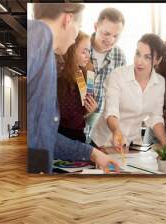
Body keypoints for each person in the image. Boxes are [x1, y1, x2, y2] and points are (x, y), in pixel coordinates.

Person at [27, 3, 120, 174]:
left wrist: (93, 154)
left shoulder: (46, 53)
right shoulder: (38, 38)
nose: (75, 36)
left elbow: (44, 135)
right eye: (79, 26)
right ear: (68, 19)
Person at [90, 34, 166, 149]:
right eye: (138, 54)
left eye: (147, 57)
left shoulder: (160, 82)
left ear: (158, 60)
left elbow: (156, 117)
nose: (139, 61)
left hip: (133, 144)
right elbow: (111, 111)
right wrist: (117, 132)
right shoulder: (117, 76)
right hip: (104, 142)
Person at [86, 8, 127, 139]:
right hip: (76, 122)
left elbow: (120, 94)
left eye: (116, 36)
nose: (111, 40)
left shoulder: (119, 56)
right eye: (106, 34)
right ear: (95, 26)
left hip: (102, 130)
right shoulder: (81, 48)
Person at [56, 31, 97, 143]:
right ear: (71, 51)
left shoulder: (86, 76)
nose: (88, 56)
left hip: (79, 136)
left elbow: (82, 114)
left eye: (89, 51)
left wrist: (90, 110)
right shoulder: (60, 79)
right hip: (60, 136)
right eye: (84, 52)